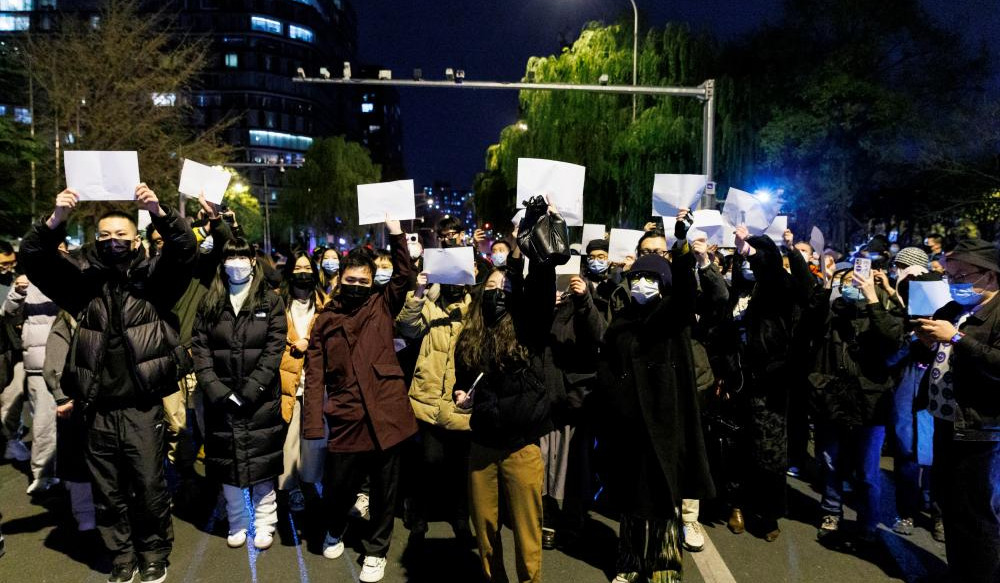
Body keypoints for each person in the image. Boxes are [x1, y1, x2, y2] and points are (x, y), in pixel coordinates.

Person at [19, 186, 196, 583]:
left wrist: (158, 211)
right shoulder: (81, 282)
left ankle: (153, 552)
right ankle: (121, 554)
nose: (113, 241)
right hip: (97, 406)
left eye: (122, 235)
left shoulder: (155, 280)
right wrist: (56, 219)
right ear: (95, 239)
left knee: (149, 486)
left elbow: (185, 251)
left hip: (142, 404)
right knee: (107, 490)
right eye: (105, 235)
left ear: (136, 240)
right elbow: (34, 259)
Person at [303, 219, 416, 583]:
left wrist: (396, 233)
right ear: (340, 280)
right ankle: (334, 527)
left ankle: (376, 550)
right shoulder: (325, 320)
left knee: (385, 493)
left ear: (372, 284)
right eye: (349, 280)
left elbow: (404, 275)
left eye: (362, 282)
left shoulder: (382, 306)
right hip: (347, 414)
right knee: (338, 488)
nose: (355, 286)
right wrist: (313, 424)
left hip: (387, 413)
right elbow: (315, 374)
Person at [600, 222, 714, 583]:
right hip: (629, 427)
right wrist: (616, 402)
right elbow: (608, 368)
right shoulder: (621, 322)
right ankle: (631, 561)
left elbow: (685, 297)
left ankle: (665, 564)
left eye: (649, 279)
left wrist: (681, 249)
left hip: (666, 425)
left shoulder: (670, 319)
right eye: (635, 279)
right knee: (633, 499)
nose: (641, 285)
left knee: (665, 499)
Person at [453, 205, 558, 583]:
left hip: (521, 446)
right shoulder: (471, 335)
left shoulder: (529, 324)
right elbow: (460, 379)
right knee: (484, 527)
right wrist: (459, 393)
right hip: (482, 445)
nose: (498, 291)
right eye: (492, 288)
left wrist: (528, 236)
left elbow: (541, 283)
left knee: (527, 533)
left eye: (506, 287)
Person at [192, 238, 288, 551]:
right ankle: (237, 521)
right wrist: (217, 390)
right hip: (221, 400)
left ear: (253, 260)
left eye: (242, 256)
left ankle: (264, 522)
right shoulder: (210, 300)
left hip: (259, 399)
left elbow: (275, 349)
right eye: (230, 256)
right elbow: (201, 348)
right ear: (222, 262)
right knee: (227, 465)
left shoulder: (269, 300)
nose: (236, 261)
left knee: (261, 465)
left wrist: (249, 391)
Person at [915, 239, 1000, 583]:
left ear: (991, 276)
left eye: (963, 275)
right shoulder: (952, 309)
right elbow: (934, 354)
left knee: (978, 514)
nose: (955, 284)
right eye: (950, 276)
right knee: (950, 506)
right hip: (945, 422)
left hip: (980, 428)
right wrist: (926, 345)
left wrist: (956, 340)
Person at [809, 267, 903, 544]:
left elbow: (891, 337)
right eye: (848, 281)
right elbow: (808, 322)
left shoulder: (880, 314)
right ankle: (831, 512)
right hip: (832, 400)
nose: (854, 285)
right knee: (830, 462)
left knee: (866, 470)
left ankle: (868, 521)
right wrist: (825, 285)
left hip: (870, 404)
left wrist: (874, 298)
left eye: (859, 281)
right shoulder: (832, 314)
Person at [395, 273, 474, 545]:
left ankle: (460, 516)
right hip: (428, 395)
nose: (455, 285)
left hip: (462, 396)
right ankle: (419, 515)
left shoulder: (475, 310)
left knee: (460, 463)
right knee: (429, 460)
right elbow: (406, 326)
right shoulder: (430, 305)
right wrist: (419, 289)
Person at [539, 272, 606, 550]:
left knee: (574, 464)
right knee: (544, 463)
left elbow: (598, 334)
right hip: (545, 399)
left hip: (575, 400)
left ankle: (573, 518)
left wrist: (583, 300)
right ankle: (548, 517)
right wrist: (543, 306)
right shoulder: (545, 305)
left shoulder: (589, 304)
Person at [276, 251, 327, 513]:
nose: (303, 272)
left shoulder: (325, 303)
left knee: (315, 441)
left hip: (317, 383)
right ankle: (292, 488)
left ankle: (310, 484)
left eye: (308, 267)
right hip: (288, 383)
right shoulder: (277, 302)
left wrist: (311, 342)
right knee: (289, 439)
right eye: (298, 268)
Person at [2, 273, 60, 494]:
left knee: (78, 424)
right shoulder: (25, 282)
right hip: (40, 364)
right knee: (44, 421)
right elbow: (9, 313)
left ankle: (74, 477)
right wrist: (19, 292)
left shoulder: (73, 277)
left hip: (75, 362)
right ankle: (43, 474)